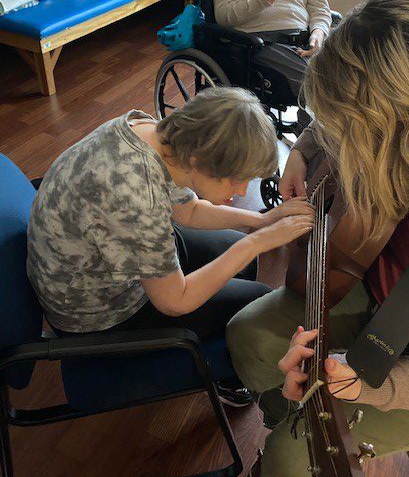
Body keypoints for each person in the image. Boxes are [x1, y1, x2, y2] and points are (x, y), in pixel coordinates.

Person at [226, 0, 409, 477]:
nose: (346, 145)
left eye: (357, 134)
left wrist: (360, 386)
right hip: (373, 290)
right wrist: (300, 151)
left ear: (404, 125)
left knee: (295, 465)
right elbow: (337, 123)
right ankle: (287, 421)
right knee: (247, 336)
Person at [27, 87, 314, 406]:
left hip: (92, 260)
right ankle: (227, 373)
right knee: (259, 302)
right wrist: (256, 242)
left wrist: (261, 221)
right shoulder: (138, 199)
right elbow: (174, 301)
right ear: (197, 160)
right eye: (235, 179)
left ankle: (222, 348)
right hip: (95, 314)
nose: (243, 189)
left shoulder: (150, 133)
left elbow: (187, 209)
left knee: (234, 248)